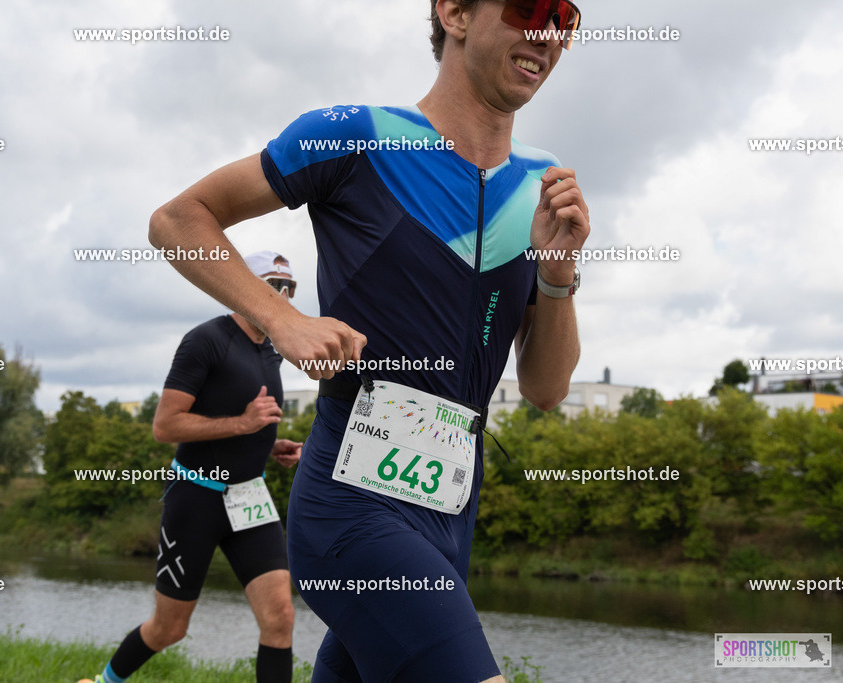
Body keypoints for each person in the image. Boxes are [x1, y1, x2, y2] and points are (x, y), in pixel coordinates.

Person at [146, 1, 590, 680]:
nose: (546, 34)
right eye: (528, 7)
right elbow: (179, 220)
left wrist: (556, 278)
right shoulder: (355, 136)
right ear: (455, 13)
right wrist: (283, 319)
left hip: (450, 518)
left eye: (564, 18)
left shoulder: (542, 181)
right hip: (351, 507)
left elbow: (546, 388)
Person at [79, 251, 303, 683]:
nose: (284, 296)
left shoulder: (271, 351)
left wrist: (267, 443)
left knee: (280, 617)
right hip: (196, 499)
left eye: (290, 287)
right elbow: (165, 426)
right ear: (245, 287)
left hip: (250, 498)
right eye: (274, 285)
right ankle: (102, 682)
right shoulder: (206, 340)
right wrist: (243, 423)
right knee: (169, 629)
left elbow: (243, 422)